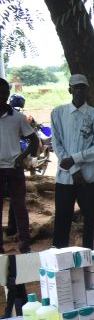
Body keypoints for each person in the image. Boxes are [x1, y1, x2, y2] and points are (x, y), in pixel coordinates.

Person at [50, 74, 94, 249]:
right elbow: (56, 144)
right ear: (70, 90)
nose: (79, 90)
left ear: (88, 90)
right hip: (65, 177)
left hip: (87, 177)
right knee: (62, 217)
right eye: (76, 87)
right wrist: (73, 169)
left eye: (83, 87)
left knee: (88, 218)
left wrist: (73, 159)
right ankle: (59, 253)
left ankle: (88, 252)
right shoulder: (58, 113)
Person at [0, 78, 37, 253]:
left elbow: (34, 140)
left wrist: (21, 158)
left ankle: (24, 244)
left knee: (20, 207)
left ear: (8, 94)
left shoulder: (18, 118)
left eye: (4, 92)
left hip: (14, 169)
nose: (1, 95)